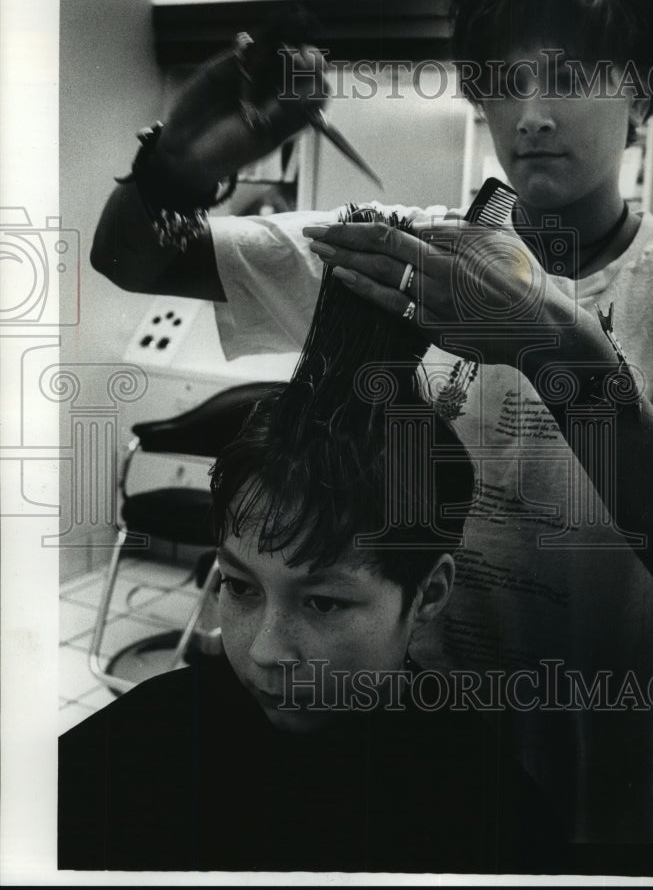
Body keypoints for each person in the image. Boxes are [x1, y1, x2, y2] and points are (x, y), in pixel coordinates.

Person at [90, 0, 653, 858]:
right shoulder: (410, 251)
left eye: (570, 77)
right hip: (404, 781)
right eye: (502, 82)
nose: (531, 115)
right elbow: (134, 254)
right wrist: (175, 164)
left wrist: (550, 342)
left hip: (599, 793)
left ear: (644, 96)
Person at [59, 365, 556, 873]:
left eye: (322, 602)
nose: (264, 651)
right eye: (241, 586)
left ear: (428, 594)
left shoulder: (484, 814)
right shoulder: (146, 744)